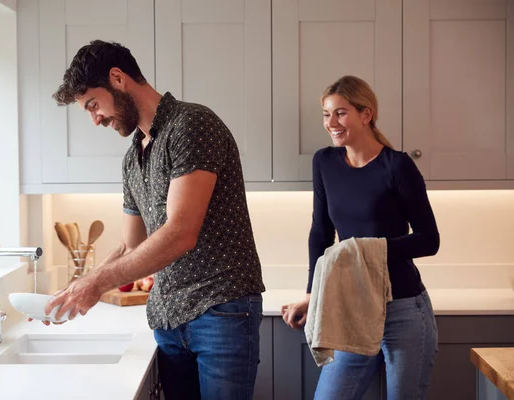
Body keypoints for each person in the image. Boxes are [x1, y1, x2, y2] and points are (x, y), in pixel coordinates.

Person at [42, 40, 266, 400]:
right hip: (168, 320)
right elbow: (132, 247)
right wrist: (78, 287)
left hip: (221, 311)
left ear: (118, 78)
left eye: (93, 105)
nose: (94, 119)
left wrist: (96, 284)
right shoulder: (132, 159)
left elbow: (180, 234)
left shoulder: (192, 125)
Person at [281, 75, 440, 400]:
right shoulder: (324, 162)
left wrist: (364, 249)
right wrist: (313, 293)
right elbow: (321, 232)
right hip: (351, 307)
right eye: (326, 114)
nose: (331, 123)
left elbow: (429, 239)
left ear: (365, 114)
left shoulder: (397, 166)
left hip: (404, 308)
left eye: (340, 113)